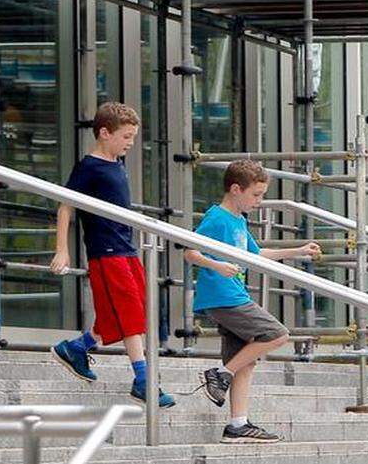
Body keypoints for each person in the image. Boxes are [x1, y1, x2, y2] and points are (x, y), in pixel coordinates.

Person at [185, 159, 321, 443]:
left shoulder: (238, 220)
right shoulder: (217, 217)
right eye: (256, 195)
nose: (259, 201)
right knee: (277, 333)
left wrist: (298, 250)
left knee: (245, 362)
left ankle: (237, 424)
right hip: (225, 296)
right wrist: (218, 266)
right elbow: (190, 252)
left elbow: (255, 254)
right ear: (236, 189)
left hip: (234, 293)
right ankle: (219, 374)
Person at [49, 102, 175, 408]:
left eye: (133, 137)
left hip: (126, 247)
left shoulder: (116, 164)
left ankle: (77, 348)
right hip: (106, 252)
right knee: (130, 313)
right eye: (126, 137)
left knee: (124, 313)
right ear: (104, 133)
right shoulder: (88, 167)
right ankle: (143, 379)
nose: (131, 143)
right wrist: (62, 249)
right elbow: (66, 205)